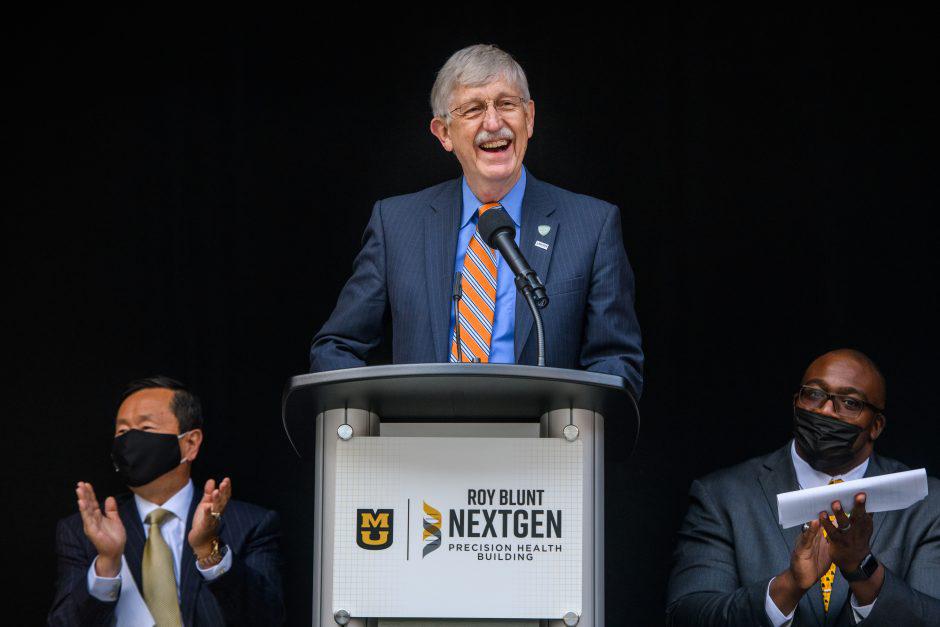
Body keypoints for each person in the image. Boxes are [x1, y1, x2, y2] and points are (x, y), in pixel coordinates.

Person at [309, 44, 644, 398]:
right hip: (423, 442)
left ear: (529, 118)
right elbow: (336, 346)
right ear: (443, 133)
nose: (493, 123)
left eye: (506, 104)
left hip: (540, 445)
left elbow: (616, 362)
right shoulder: (396, 224)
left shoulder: (593, 225)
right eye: (473, 109)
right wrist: (379, 426)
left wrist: (569, 428)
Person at [666, 349, 940, 625]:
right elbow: (686, 615)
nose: (826, 410)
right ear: (796, 402)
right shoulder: (723, 496)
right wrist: (789, 586)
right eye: (814, 394)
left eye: (849, 402)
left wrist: (864, 571)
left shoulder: (927, 502)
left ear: (876, 426)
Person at [49, 376, 284, 626]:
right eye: (122, 431)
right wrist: (106, 564)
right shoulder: (82, 532)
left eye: (146, 428)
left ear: (190, 443)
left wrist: (209, 552)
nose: (129, 442)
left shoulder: (251, 525)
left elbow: (266, 618)